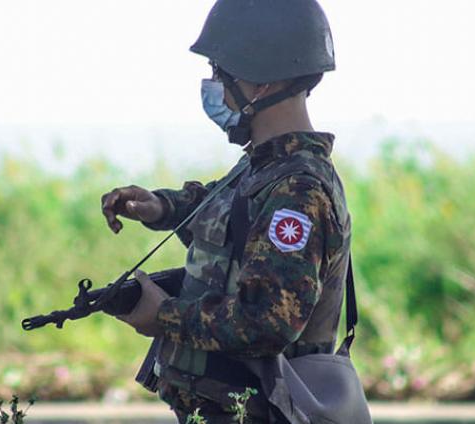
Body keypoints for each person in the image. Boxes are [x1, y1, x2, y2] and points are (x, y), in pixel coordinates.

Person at [101, 1, 352, 422]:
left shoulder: (299, 192)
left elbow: (266, 324)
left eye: (221, 71)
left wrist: (163, 316)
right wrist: (159, 206)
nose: (213, 84)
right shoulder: (265, 167)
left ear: (262, 83)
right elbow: (227, 212)